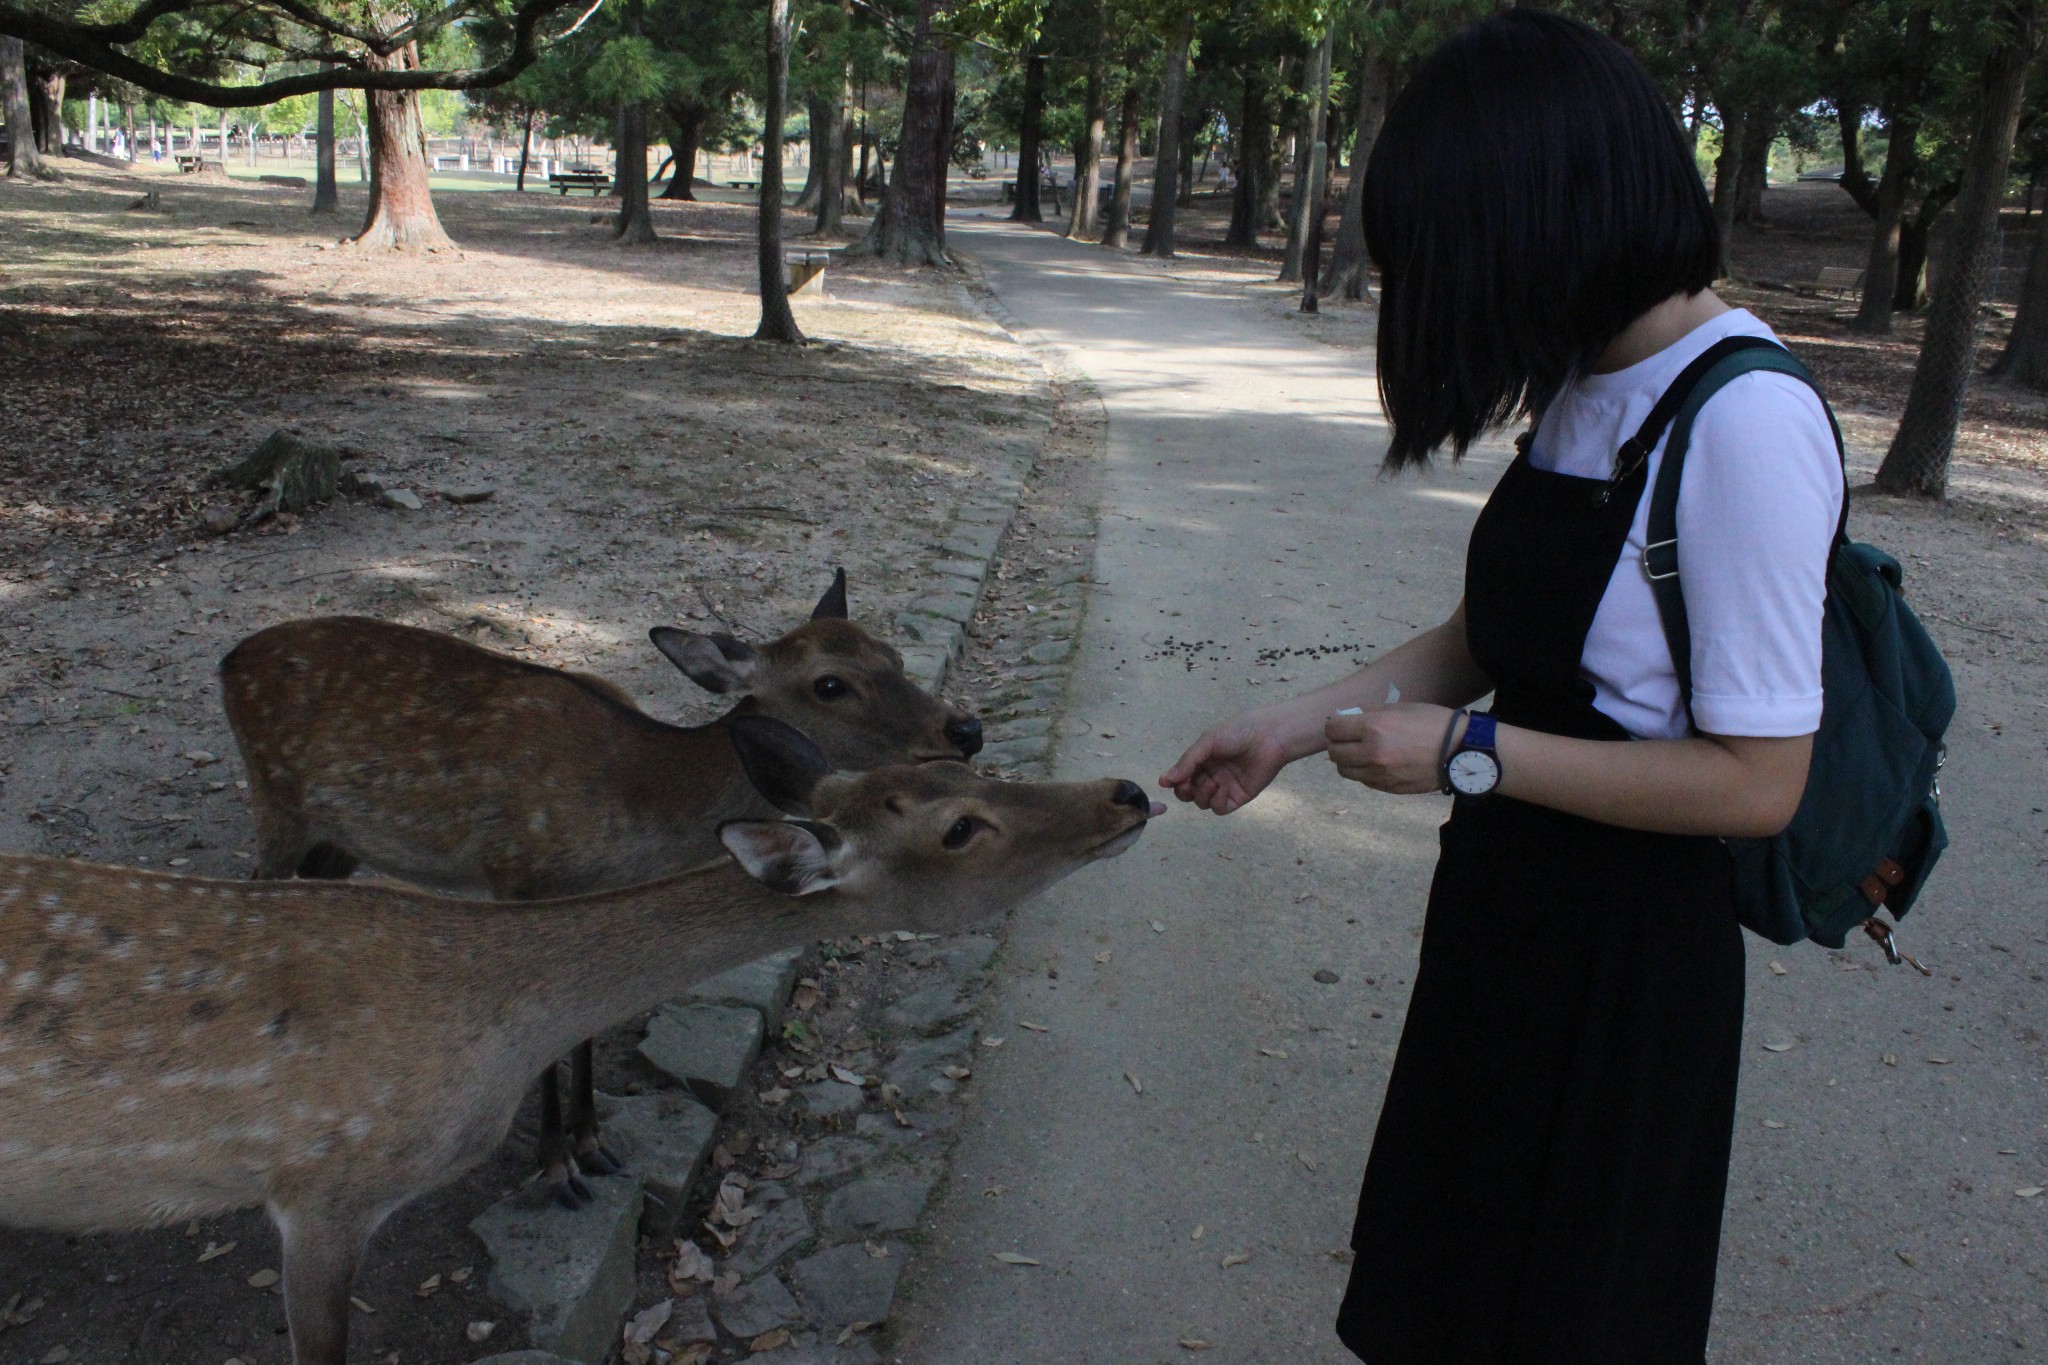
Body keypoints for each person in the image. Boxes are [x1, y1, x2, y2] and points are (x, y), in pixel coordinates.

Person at [1159, 10, 1841, 1363]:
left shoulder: (1746, 419)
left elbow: (1760, 783)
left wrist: (1471, 755)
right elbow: (1500, 630)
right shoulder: (1597, 379)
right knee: (1449, 1294)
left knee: (1567, 1318)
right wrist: (1301, 723)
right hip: (1505, 918)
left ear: (1541, 215)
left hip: (1625, 972)